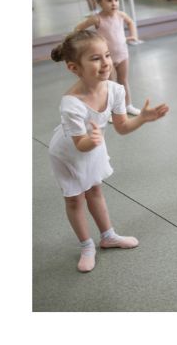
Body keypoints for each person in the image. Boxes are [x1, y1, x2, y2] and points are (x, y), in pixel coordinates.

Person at [48, 30, 169, 272]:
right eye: (95, 58)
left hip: (93, 144)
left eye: (107, 55)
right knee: (74, 199)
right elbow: (79, 143)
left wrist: (143, 119)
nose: (105, 63)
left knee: (94, 190)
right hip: (69, 152)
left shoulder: (115, 90)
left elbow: (122, 127)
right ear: (74, 68)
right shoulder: (71, 103)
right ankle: (86, 246)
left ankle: (108, 236)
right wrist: (92, 142)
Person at [75, 0, 141, 115]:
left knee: (123, 81)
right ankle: (109, 111)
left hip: (122, 54)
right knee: (109, 84)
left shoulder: (121, 15)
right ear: (99, 2)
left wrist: (133, 35)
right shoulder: (97, 19)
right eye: (109, 0)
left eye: (116, 0)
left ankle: (128, 105)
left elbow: (131, 22)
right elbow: (78, 29)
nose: (114, 3)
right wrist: (89, 43)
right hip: (106, 58)